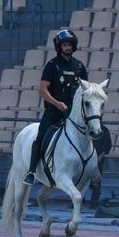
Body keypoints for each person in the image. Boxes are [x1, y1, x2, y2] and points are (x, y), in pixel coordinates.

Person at [24, 29, 89, 186]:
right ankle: (31, 171)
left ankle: (92, 172)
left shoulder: (79, 66)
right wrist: (57, 104)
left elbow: (86, 90)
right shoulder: (52, 65)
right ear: (59, 47)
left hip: (73, 114)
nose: (67, 48)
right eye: (65, 45)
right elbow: (43, 90)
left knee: (89, 135)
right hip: (54, 112)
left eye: (70, 45)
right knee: (40, 137)